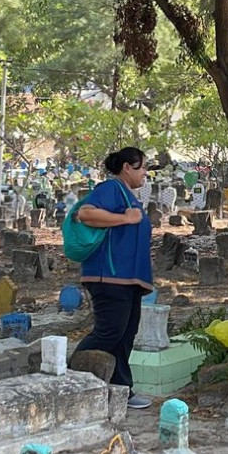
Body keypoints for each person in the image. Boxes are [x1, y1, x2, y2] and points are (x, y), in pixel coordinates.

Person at [74, 147, 155, 409]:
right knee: (109, 333)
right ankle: (70, 378)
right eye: (142, 167)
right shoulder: (111, 189)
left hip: (129, 280)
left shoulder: (127, 195)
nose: (145, 173)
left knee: (125, 335)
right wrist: (124, 218)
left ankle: (122, 390)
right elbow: (85, 214)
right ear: (127, 168)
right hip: (109, 277)